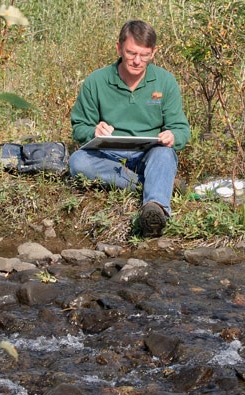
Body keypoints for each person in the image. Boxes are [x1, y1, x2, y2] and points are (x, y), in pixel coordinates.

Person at [69, 20, 190, 237]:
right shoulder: (96, 81)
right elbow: (79, 128)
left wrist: (173, 136)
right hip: (107, 153)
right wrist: (93, 132)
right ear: (118, 48)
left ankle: (155, 209)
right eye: (131, 53)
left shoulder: (165, 81)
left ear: (153, 52)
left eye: (144, 55)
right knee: (77, 162)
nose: (137, 61)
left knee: (164, 154)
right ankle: (157, 183)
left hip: (149, 153)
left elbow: (181, 128)